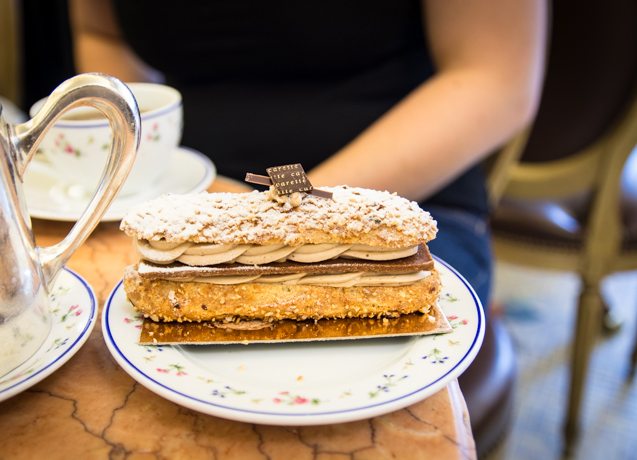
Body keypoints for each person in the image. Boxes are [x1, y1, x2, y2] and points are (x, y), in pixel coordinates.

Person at [68, 0, 546, 308]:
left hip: (391, 199)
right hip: (187, 195)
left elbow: (496, 77)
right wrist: (152, 174)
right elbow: (103, 32)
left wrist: (277, 214)